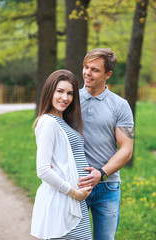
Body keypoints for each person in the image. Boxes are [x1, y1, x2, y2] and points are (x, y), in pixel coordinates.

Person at [78, 48, 134, 240]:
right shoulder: (70, 100)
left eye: (94, 69)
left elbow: (126, 149)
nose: (87, 73)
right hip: (75, 183)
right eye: (85, 67)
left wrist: (101, 173)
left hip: (107, 186)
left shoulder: (120, 105)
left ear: (108, 74)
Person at [30, 69, 92, 240]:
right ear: (50, 91)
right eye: (60, 91)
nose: (65, 98)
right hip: (64, 200)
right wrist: (74, 193)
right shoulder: (48, 122)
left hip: (74, 200)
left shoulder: (63, 122)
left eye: (70, 93)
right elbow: (42, 170)